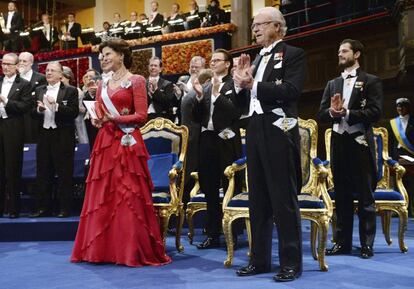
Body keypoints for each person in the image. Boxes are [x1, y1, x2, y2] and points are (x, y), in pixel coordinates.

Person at [71, 39, 171, 267]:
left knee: (128, 194)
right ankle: (102, 250)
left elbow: (142, 115)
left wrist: (114, 118)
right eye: (101, 56)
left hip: (127, 143)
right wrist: (97, 120)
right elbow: (99, 114)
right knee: (104, 194)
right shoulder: (102, 85)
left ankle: (129, 250)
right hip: (105, 142)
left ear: (121, 56)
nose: (102, 59)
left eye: (107, 54)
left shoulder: (137, 80)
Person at [233, 7, 306, 282]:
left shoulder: (294, 54)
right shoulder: (254, 58)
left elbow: (291, 91)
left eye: (260, 25)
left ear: (277, 26)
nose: (255, 30)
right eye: (253, 26)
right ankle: (259, 260)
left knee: (283, 199)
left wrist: (252, 84)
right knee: (258, 199)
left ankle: (291, 263)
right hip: (254, 127)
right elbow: (243, 102)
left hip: (279, 128)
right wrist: (238, 85)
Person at [318, 39, 383, 259]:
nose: (340, 54)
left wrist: (346, 113)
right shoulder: (332, 84)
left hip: (359, 143)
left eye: (344, 51)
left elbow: (375, 112)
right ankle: (342, 242)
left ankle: (367, 244)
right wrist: (332, 114)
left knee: (365, 197)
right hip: (339, 143)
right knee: (342, 197)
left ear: (356, 54)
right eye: (338, 51)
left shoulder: (371, 81)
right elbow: (320, 115)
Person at [192, 49, 242, 249]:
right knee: (209, 187)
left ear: (227, 64)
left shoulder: (235, 84)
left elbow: (235, 113)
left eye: (217, 60)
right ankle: (212, 233)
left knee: (231, 186)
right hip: (207, 139)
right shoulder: (204, 86)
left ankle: (234, 234)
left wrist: (215, 94)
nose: (212, 63)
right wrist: (198, 97)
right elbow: (197, 117)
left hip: (227, 140)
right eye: (211, 61)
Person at [30, 62, 79, 218]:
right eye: (47, 70)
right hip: (44, 135)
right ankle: (43, 208)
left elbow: (73, 113)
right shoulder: (39, 90)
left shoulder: (71, 91)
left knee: (64, 173)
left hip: (63, 136)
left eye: (53, 70)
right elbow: (31, 111)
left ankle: (65, 208)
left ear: (60, 75)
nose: (49, 72)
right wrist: (39, 109)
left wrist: (56, 106)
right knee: (43, 172)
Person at [0, 53, 31, 218]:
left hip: (13, 129)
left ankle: (13, 208)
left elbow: (25, 106)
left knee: (12, 168)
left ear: (17, 66)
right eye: (3, 64)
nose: (5, 67)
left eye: (9, 64)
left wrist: (6, 101)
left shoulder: (24, 84)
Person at [179, 57, 207, 205]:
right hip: (184, 131)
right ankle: (183, 203)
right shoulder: (184, 80)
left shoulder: (205, 81)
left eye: (197, 67)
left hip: (198, 132)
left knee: (195, 168)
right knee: (184, 169)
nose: (194, 69)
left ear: (203, 67)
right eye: (192, 66)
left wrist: (190, 91)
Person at [388, 97, 414, 216]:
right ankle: (399, 208)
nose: (400, 108)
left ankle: (411, 208)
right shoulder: (393, 123)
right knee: (398, 182)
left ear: (407, 107)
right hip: (397, 155)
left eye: (402, 106)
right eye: (398, 106)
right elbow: (390, 141)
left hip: (411, 155)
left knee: (411, 182)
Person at [18, 52, 47, 143]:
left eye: (24, 61)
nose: (21, 63)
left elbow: (40, 98)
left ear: (31, 63)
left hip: (33, 119)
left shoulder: (41, 78)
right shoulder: (14, 78)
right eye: (19, 61)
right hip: (17, 119)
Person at [61, 66, 88, 144]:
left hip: (77, 123)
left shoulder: (77, 91)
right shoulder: (56, 91)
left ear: (68, 77)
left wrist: (71, 108)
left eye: (62, 77)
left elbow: (84, 110)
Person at [147, 56, 175, 121]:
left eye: (155, 66)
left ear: (160, 69)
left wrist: (156, 90)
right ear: (148, 67)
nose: (153, 67)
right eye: (151, 65)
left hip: (163, 118)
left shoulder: (168, 84)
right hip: (146, 118)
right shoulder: (142, 83)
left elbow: (168, 103)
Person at [82, 69, 100, 149]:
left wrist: (94, 92)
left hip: (99, 120)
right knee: (92, 144)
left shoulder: (101, 88)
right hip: (88, 120)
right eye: (87, 76)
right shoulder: (85, 90)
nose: (89, 78)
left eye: (91, 76)